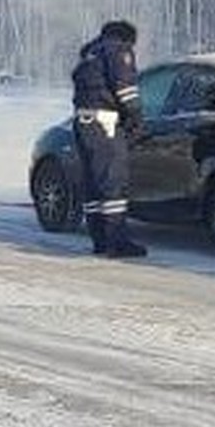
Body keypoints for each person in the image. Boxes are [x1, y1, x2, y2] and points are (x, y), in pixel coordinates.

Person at [71, 19, 147, 258]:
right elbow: (126, 88)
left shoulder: (91, 53)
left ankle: (100, 240)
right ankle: (117, 242)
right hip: (105, 123)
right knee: (113, 181)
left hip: (83, 121)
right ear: (127, 38)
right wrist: (135, 118)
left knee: (94, 184)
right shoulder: (118, 50)